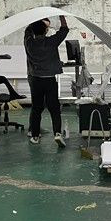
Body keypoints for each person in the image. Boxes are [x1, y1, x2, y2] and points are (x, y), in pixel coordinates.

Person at [24, 15, 69, 147]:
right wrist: (61, 15)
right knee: (54, 108)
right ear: (46, 31)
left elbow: (27, 30)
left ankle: (35, 136)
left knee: (36, 109)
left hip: (35, 80)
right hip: (49, 80)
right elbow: (64, 30)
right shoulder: (51, 42)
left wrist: (36, 19)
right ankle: (57, 133)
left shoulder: (29, 43)